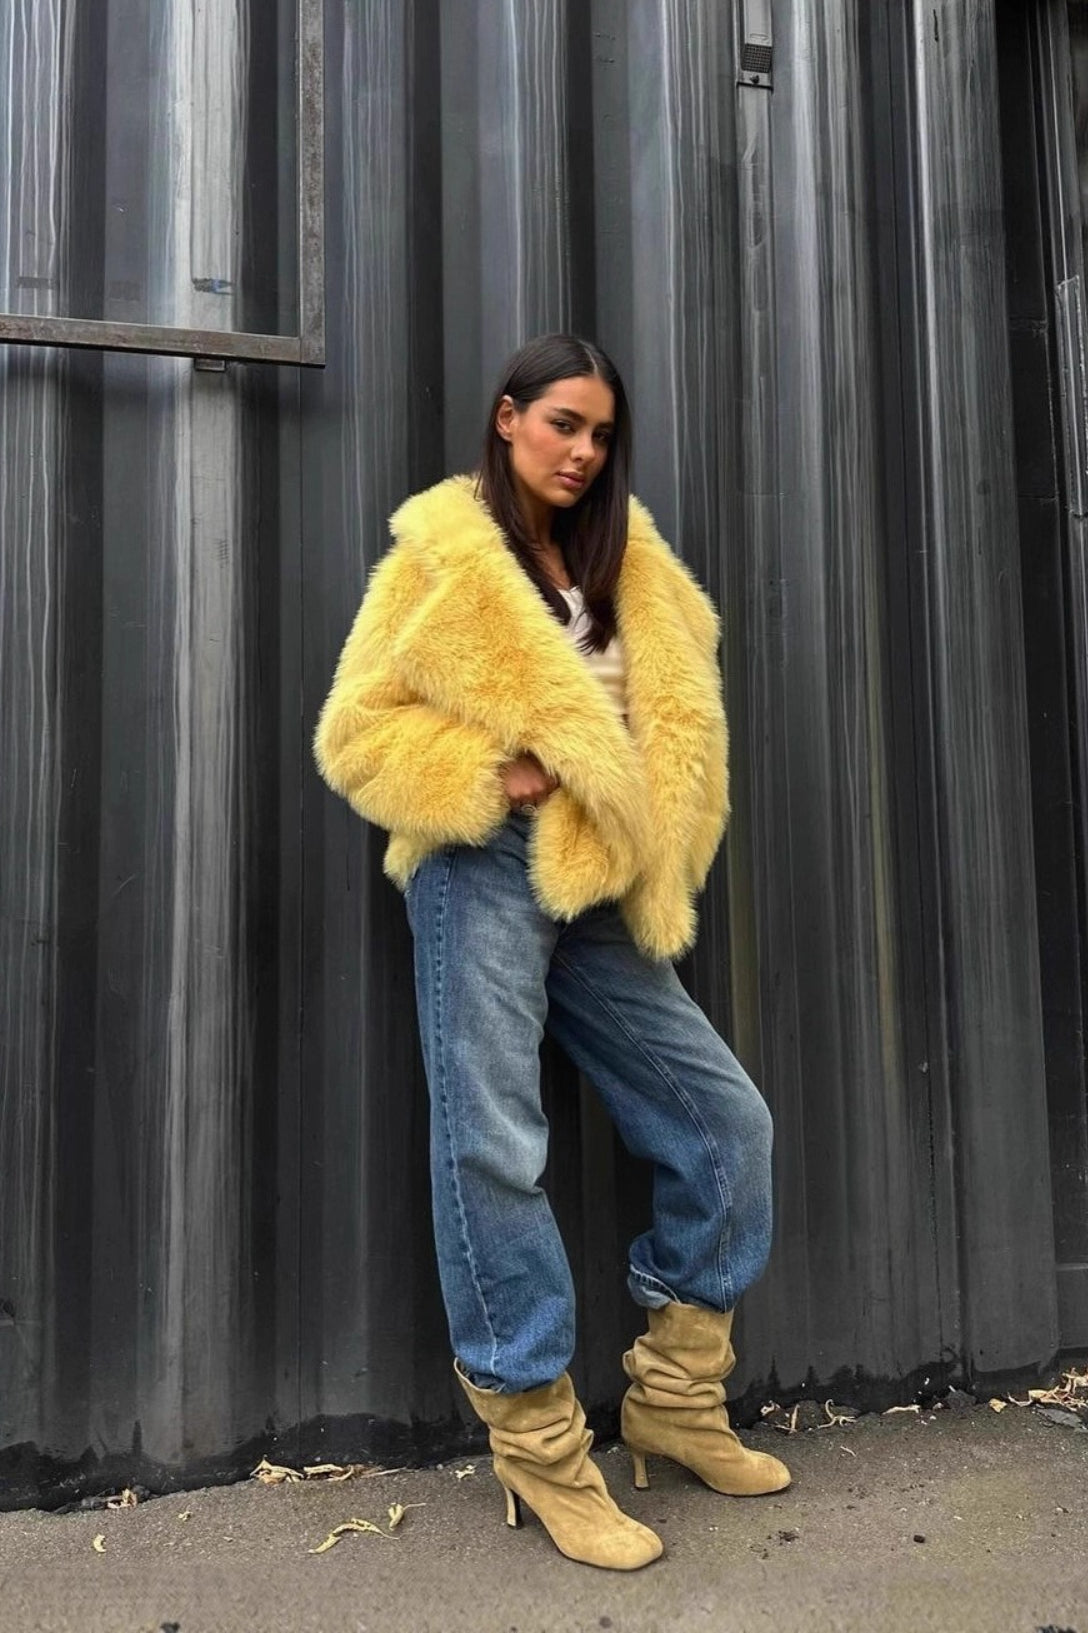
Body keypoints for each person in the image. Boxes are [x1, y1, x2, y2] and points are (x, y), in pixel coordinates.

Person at [314, 333, 790, 1571]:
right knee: (492, 1141)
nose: (580, 451)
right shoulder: (440, 561)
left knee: (724, 1125)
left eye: (599, 433)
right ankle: (534, 1438)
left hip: (595, 881)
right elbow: (353, 733)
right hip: (480, 866)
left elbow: (667, 719)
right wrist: (492, 767)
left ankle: (673, 1398)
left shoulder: (625, 564)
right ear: (507, 416)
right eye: (561, 423)